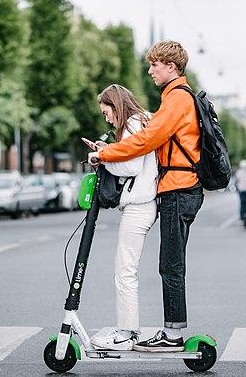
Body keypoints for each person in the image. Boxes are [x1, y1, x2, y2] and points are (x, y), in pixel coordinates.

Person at [89, 40, 202, 352]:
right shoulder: (171, 99)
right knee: (169, 264)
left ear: (171, 65)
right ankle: (170, 332)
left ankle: (172, 335)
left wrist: (107, 153)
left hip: (180, 188)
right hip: (175, 189)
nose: (150, 70)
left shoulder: (177, 98)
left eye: (155, 64)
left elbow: (147, 141)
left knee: (171, 265)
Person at [87, 84, 158, 351]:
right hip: (143, 203)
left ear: (116, 105)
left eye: (107, 112)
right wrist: (107, 150)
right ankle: (127, 330)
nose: (106, 118)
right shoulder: (142, 120)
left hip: (139, 204)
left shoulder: (132, 123)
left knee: (125, 271)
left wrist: (103, 156)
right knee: (126, 270)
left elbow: (130, 165)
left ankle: (127, 333)